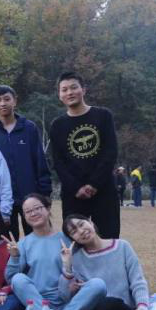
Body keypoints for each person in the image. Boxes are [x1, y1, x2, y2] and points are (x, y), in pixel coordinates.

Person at [4, 193, 106, 310]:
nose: (33, 213)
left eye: (37, 208)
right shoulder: (23, 244)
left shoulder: (68, 239)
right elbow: (11, 279)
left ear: (48, 208)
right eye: (28, 211)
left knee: (98, 284)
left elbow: (81, 269)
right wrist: (15, 257)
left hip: (70, 303)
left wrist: (72, 274)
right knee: (18, 279)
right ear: (24, 216)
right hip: (39, 303)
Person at [60, 214, 156, 310]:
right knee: (108, 304)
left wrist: (142, 307)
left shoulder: (122, 246)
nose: (81, 231)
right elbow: (65, 296)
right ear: (72, 239)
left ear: (90, 221)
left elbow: (137, 281)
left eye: (81, 224)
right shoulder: (77, 259)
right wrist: (67, 266)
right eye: (74, 232)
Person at [49, 71, 119, 238]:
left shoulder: (103, 116)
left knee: (108, 238)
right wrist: (76, 187)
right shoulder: (57, 125)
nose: (69, 92)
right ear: (59, 95)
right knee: (75, 240)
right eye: (64, 89)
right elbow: (57, 161)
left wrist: (94, 184)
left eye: (74, 87)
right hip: (73, 194)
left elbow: (110, 152)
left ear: (84, 90)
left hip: (104, 189)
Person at [0, 85, 53, 238]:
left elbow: (40, 161)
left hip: (32, 196)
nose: (3, 103)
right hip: (4, 201)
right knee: (7, 242)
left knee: (40, 237)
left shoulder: (29, 128)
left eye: (7, 99)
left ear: (15, 101)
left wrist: (45, 193)